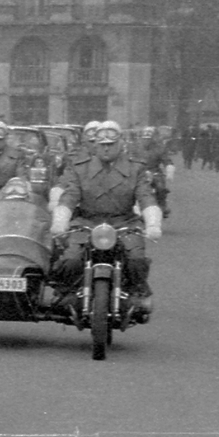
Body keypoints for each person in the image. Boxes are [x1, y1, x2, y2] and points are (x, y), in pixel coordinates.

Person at [50, 119, 161, 314]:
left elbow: (146, 198)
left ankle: (136, 293)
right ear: (95, 145)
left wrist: (153, 224)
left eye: (111, 144)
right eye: (102, 145)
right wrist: (60, 221)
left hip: (124, 222)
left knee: (136, 259)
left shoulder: (136, 168)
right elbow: (69, 196)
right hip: (87, 221)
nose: (106, 149)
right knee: (71, 259)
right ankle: (67, 294)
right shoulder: (80, 167)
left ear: (120, 144)